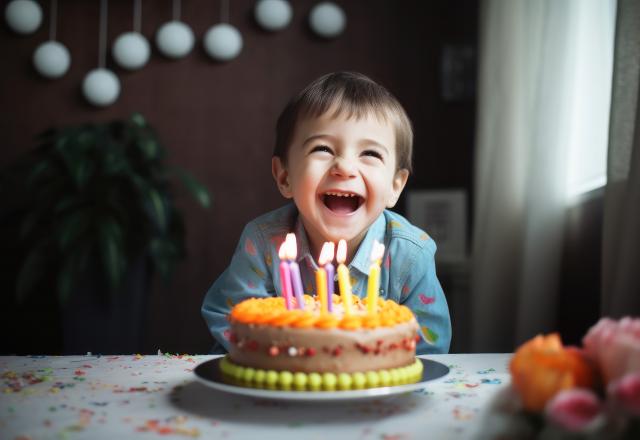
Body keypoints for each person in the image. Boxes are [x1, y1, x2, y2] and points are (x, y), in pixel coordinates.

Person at [201, 71, 451, 354]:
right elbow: (230, 317)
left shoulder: (410, 254)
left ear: (395, 186)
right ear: (284, 177)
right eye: (322, 148)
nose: (344, 167)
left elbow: (429, 342)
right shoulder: (262, 242)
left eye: (370, 154)